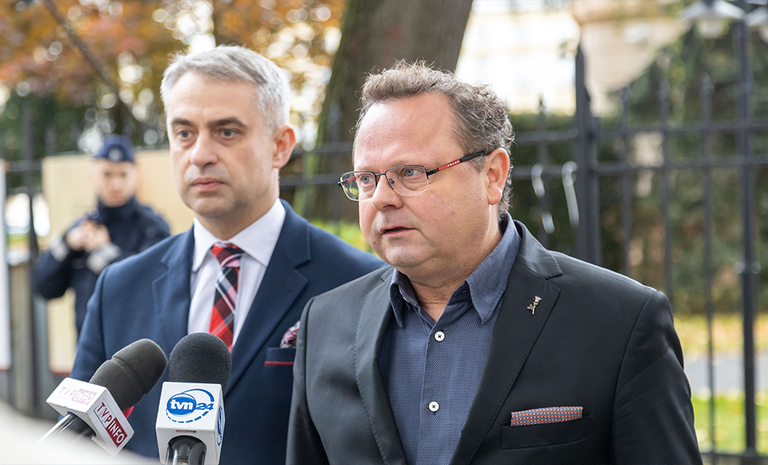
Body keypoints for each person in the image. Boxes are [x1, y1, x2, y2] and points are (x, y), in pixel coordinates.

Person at [287, 61, 702, 464]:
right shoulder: (325, 322)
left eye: (410, 172)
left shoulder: (619, 320)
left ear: (492, 176)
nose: (381, 198)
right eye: (366, 179)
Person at [70, 45, 383, 464]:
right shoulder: (120, 287)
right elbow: (76, 443)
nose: (200, 155)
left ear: (280, 146)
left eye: (227, 132)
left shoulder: (359, 283)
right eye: (184, 133)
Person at [34, 136, 170, 336]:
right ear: (93, 175)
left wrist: (105, 253)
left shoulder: (151, 227)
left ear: (135, 176)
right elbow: (45, 287)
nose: (116, 184)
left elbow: (153, 285)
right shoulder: (84, 226)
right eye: (107, 174)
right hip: (88, 345)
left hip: (135, 345)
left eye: (123, 174)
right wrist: (67, 244)